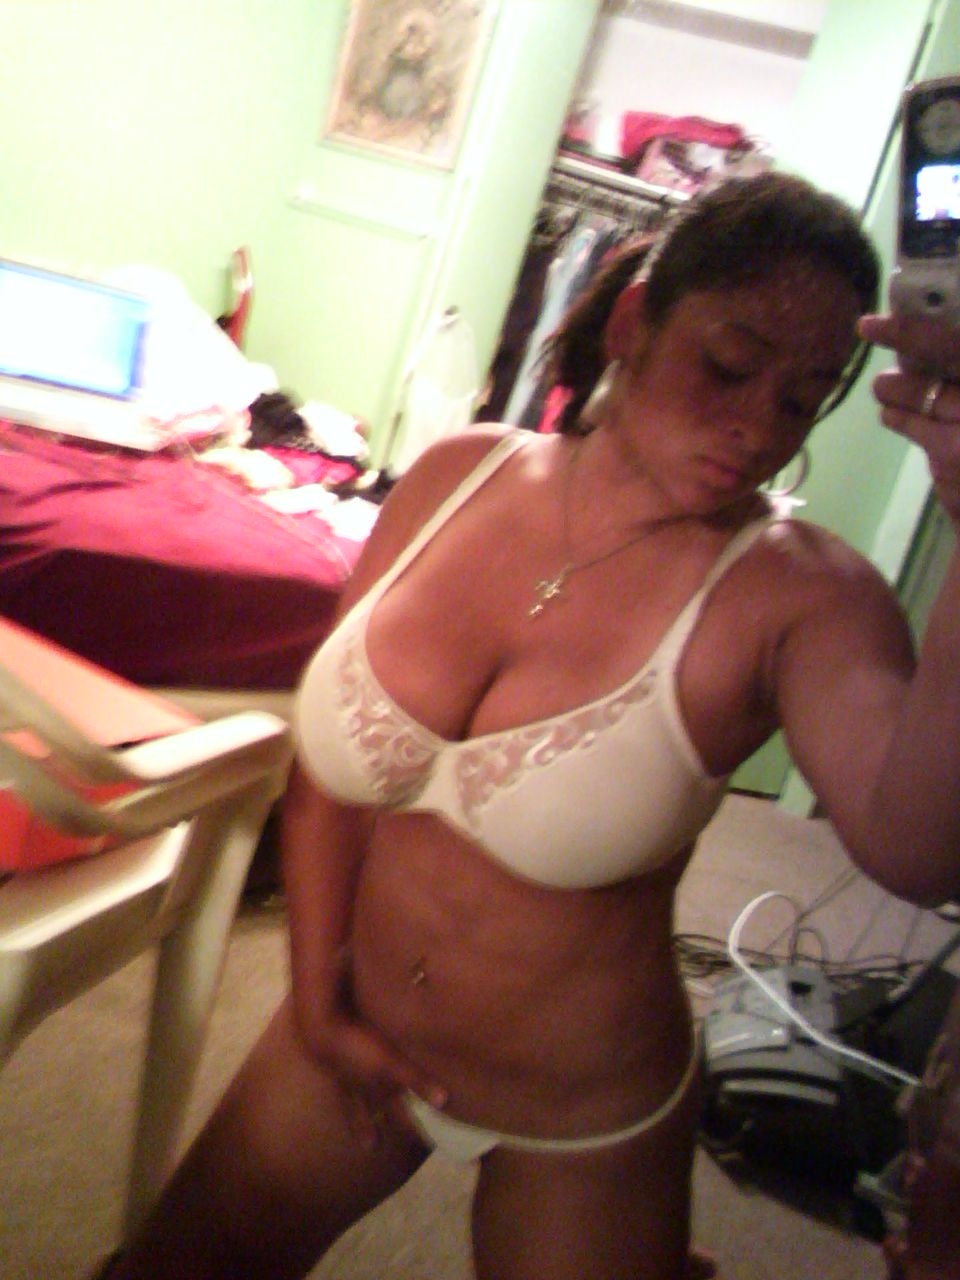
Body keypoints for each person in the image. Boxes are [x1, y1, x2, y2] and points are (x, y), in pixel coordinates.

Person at [102, 172, 960, 1280]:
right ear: (635, 321)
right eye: (728, 365)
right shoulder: (457, 476)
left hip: (584, 1111)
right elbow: (324, 783)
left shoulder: (802, 594)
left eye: (801, 399)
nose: (757, 426)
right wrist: (315, 1000)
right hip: (354, 1020)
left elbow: (916, 852)